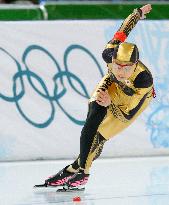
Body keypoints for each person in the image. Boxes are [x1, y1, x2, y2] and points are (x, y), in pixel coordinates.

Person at [35, 4, 155, 191]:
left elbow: (127, 115)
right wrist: (137, 14)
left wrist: (112, 103)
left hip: (130, 100)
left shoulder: (143, 79)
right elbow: (123, 30)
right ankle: (83, 171)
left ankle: (72, 170)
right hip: (111, 84)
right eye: (117, 65)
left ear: (135, 64)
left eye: (127, 67)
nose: (121, 71)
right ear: (112, 59)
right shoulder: (109, 53)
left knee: (99, 138)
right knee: (93, 116)